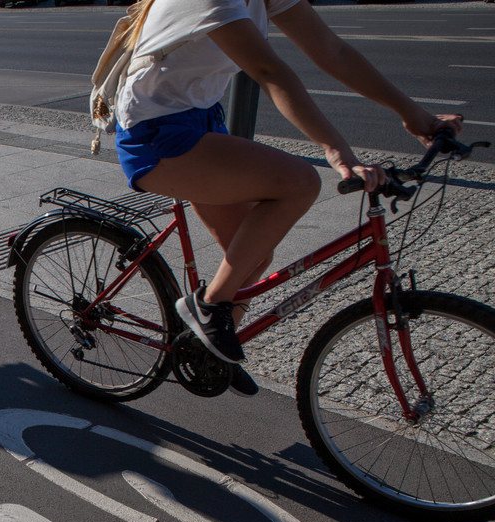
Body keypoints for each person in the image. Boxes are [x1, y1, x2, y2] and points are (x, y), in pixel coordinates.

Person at [110, 0, 462, 397]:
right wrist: (338, 153)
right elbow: (269, 71)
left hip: (201, 118)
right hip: (156, 132)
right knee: (299, 183)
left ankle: (206, 348)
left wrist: (414, 115)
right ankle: (207, 309)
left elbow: (333, 50)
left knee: (253, 256)